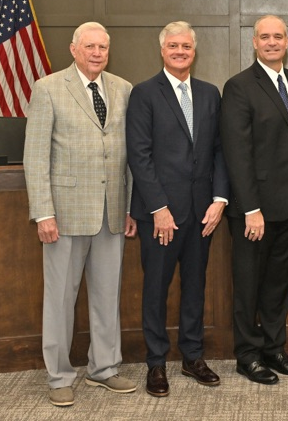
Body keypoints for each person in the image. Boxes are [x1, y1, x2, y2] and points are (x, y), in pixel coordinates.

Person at [23, 22, 137, 407]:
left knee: (108, 296)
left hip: (112, 213)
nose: (97, 53)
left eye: (103, 47)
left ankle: (104, 369)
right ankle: (59, 376)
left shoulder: (123, 89)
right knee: (60, 299)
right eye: (89, 46)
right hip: (65, 215)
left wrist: (130, 206)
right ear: (73, 49)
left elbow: (129, 156)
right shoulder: (49, 88)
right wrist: (42, 213)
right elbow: (35, 156)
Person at [126, 21, 229, 397]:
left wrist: (219, 200)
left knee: (195, 287)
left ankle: (192, 357)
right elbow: (140, 155)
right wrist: (159, 208)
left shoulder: (209, 93)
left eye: (186, 45)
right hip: (161, 216)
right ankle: (156, 363)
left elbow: (219, 150)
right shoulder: (144, 93)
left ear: (194, 50)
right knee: (155, 288)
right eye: (173, 46)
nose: (180, 51)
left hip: (202, 213)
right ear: (162, 50)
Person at [220, 15, 288, 385]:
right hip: (255, 210)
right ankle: (247, 355)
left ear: (287, 41)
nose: (272, 42)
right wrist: (250, 208)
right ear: (254, 42)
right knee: (249, 283)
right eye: (265, 37)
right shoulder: (239, 87)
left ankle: (274, 348)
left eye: (278, 36)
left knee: (280, 282)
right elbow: (237, 152)